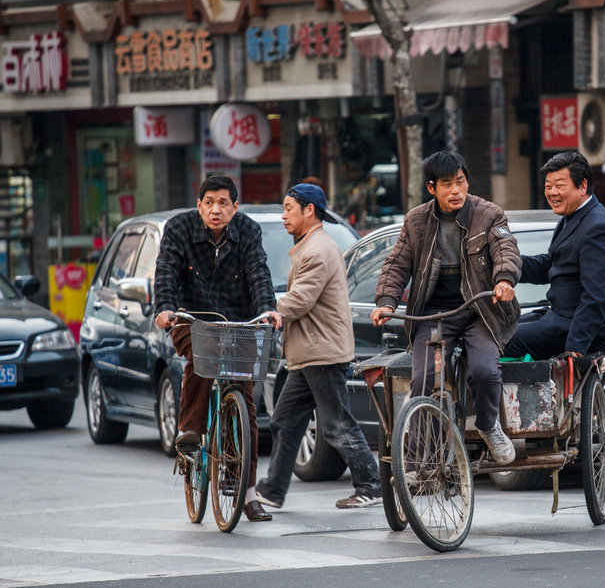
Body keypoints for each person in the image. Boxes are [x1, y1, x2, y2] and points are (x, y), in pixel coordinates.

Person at [371, 151, 521, 464]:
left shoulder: (489, 213)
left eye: (460, 182)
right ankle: (420, 451)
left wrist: (505, 279)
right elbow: (397, 264)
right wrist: (385, 302)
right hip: (433, 313)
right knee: (423, 379)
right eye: (447, 184)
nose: (456, 190)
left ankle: (488, 425)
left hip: (479, 311)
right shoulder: (416, 221)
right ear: (431, 188)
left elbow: (506, 249)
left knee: (484, 370)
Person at [154, 175, 282, 523]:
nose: (215, 209)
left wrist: (268, 309)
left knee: (247, 404)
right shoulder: (179, 228)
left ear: (235, 207)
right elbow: (165, 272)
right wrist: (165, 308)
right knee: (202, 356)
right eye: (209, 202)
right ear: (199, 205)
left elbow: (259, 274)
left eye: (223, 202)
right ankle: (190, 431)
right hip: (190, 319)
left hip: (239, 322)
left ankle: (248, 492)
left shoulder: (248, 231)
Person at [255, 184, 383, 510]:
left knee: (338, 424)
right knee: (285, 420)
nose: (284, 215)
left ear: (309, 210)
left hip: (322, 353)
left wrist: (275, 311)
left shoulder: (317, 250)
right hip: (308, 353)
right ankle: (272, 490)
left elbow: (301, 298)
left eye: (288, 208)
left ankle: (371, 485)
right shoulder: (309, 245)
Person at [503, 151, 605, 361]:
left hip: (588, 330)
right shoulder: (573, 217)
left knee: (497, 342)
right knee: (495, 329)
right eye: (548, 187)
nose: (552, 192)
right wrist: (503, 264)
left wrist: (576, 347)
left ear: (582, 186)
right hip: (561, 318)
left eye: (560, 186)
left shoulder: (597, 227)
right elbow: (552, 265)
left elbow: (596, 296)